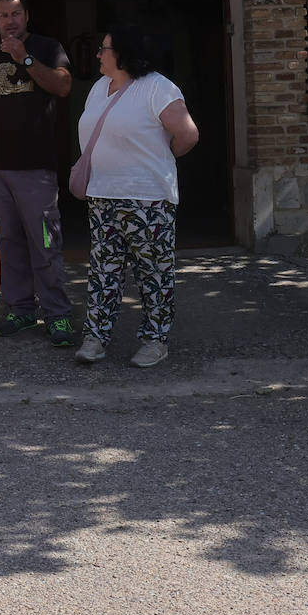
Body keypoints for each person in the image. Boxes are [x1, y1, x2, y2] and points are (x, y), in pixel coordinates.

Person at [74, 25, 199, 368]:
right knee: (103, 272)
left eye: (104, 49)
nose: (98, 54)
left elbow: (187, 135)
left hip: (148, 199)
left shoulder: (157, 87)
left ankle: (155, 341)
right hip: (102, 195)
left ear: (124, 54)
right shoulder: (100, 87)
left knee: (153, 273)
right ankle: (96, 338)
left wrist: (154, 160)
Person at [0, 0, 76, 345]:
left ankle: (58, 315)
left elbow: (63, 86)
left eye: (15, 14)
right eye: (3, 15)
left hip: (36, 171)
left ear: (26, 16)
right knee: (8, 244)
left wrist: (25, 59)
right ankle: (21, 310)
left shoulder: (47, 47)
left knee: (45, 244)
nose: (10, 21)